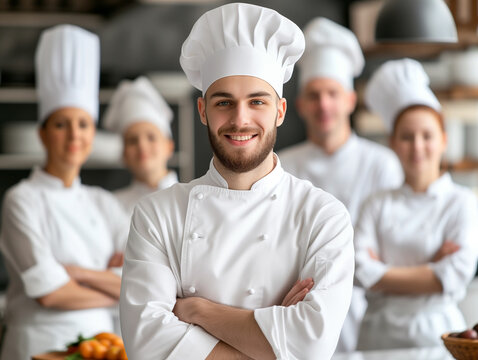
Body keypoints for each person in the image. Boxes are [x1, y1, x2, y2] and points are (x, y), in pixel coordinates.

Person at [119, 3, 354, 360]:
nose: (240, 119)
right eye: (224, 102)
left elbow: (313, 344)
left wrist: (198, 312)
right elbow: (146, 343)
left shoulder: (323, 216)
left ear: (280, 111)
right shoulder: (158, 214)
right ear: (203, 111)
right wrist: (273, 344)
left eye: (256, 102)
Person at [0, 25, 129, 360]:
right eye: (61, 124)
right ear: (42, 134)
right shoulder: (21, 200)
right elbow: (51, 294)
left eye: (83, 124)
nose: (74, 134)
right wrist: (116, 289)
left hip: (102, 346)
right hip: (38, 345)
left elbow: (140, 278)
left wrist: (79, 275)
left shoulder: (103, 202)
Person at [277, 17, 403, 353]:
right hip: (295, 310)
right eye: (314, 95)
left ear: (350, 99)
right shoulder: (280, 165)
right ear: (300, 105)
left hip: (369, 314)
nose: (324, 105)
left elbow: (392, 247)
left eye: (332, 93)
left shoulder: (382, 164)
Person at [354, 58, 478, 350]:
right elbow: (360, 271)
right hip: (377, 337)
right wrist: (431, 266)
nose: (417, 146)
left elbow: (456, 272)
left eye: (427, 136)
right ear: (392, 143)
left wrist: (383, 272)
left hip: (438, 336)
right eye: (407, 137)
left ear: (444, 140)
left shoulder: (462, 202)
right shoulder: (375, 204)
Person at [102, 76, 178, 216]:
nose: (142, 146)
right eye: (132, 140)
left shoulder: (192, 199)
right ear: (123, 153)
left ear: (169, 146)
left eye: (151, 137)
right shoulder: (112, 207)